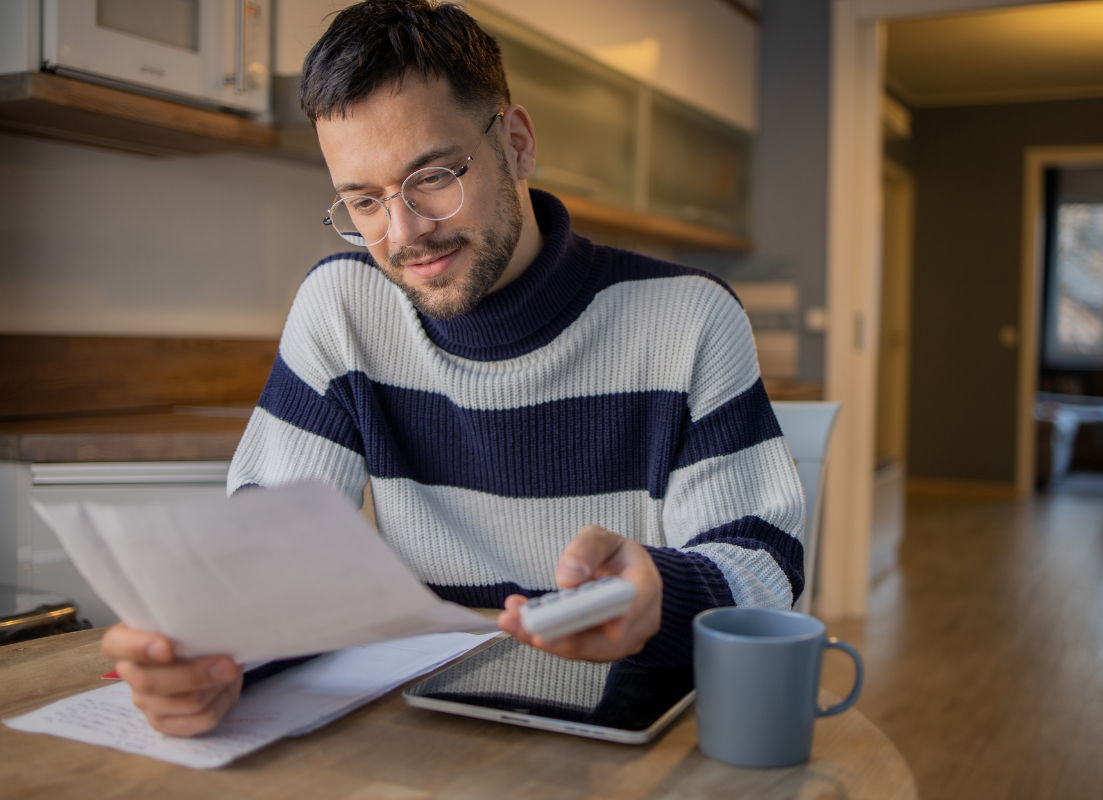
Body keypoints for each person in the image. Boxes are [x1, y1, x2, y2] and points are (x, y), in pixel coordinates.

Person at [101, 0, 806, 737]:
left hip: (630, 730)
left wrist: (660, 592)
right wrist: (212, 656)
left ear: (519, 144)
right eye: (363, 201)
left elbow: (764, 571)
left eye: (433, 176)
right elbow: (272, 556)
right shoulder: (343, 307)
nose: (404, 233)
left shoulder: (690, 317)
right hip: (430, 727)